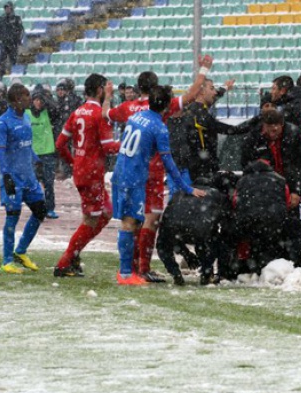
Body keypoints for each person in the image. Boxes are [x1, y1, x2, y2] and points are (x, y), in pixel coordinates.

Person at [101, 55, 213, 282]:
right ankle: (134, 270)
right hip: (143, 174)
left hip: (125, 170)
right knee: (142, 221)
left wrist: (108, 97)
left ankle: (133, 270)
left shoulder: (132, 111)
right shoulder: (159, 122)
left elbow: (106, 115)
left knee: (135, 221)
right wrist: (203, 69)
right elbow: (190, 97)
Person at [54, 74, 120, 277]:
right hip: (91, 174)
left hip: (84, 172)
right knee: (92, 220)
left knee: (107, 211)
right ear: (100, 90)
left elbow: (59, 144)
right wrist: (130, 145)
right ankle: (65, 262)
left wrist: (75, 162)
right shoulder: (100, 114)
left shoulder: (77, 112)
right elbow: (109, 148)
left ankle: (74, 254)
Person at [0, 84, 47, 274]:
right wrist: (6, 176)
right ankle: (7, 260)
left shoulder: (25, 117)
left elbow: (25, 145)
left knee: (40, 211)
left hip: (28, 177)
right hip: (13, 179)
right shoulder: (3, 123)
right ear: (16, 100)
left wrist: (36, 161)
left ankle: (20, 251)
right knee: (12, 217)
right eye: (26, 96)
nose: (29, 99)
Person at [156, 174, 232, 286]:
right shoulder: (216, 195)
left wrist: (185, 253)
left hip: (174, 229)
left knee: (162, 244)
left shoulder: (178, 194)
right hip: (201, 229)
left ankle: (175, 273)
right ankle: (206, 274)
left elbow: (167, 222)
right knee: (212, 240)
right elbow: (225, 220)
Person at [241, 109, 301, 217]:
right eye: (270, 128)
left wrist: (297, 191)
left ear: (282, 125)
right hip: (265, 190)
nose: (273, 132)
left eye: (276, 128)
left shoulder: (294, 134)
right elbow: (246, 165)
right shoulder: (254, 138)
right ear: (264, 126)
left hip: (290, 185)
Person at [26, 86, 61, 219]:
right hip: (32, 153)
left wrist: (46, 98)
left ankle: (50, 208)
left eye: (41, 100)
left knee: (48, 182)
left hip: (47, 152)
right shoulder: (27, 113)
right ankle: (36, 207)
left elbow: (57, 109)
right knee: (33, 183)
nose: (38, 102)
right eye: (36, 100)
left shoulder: (49, 112)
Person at [0, 2, 24, 78]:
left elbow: (21, 30)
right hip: (4, 43)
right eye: (5, 8)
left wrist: (19, 39)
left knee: (13, 60)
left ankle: (13, 76)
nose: (7, 9)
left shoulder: (16, 18)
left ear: (11, 8)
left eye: (8, 7)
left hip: (13, 43)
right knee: (2, 60)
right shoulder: (1, 18)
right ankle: (1, 76)